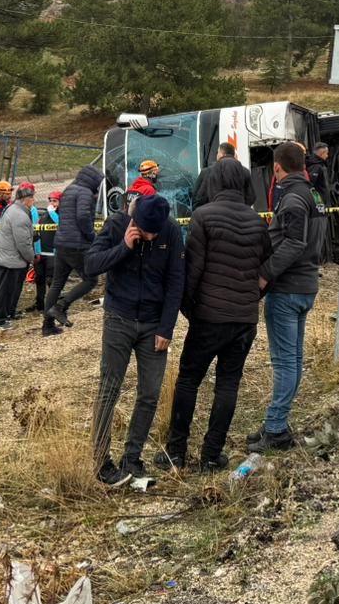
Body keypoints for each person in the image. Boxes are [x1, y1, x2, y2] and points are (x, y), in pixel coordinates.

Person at [160, 157, 269, 473]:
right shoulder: (258, 222)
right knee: (227, 385)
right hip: (244, 319)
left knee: (189, 381)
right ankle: (211, 455)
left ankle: (176, 452)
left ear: (214, 183)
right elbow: (265, 269)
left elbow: (192, 271)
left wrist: (189, 310)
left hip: (208, 317)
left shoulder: (202, 216)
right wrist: (251, 299)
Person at [86, 193, 185, 485]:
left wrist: (167, 327)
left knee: (150, 392)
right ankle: (102, 461)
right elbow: (91, 265)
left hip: (154, 324)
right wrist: (124, 247)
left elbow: (176, 280)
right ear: (135, 221)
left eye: (156, 232)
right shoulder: (117, 226)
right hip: (119, 318)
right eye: (145, 232)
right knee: (109, 388)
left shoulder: (172, 231)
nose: (151, 237)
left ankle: (132, 457)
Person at [250, 140, 325, 452]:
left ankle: (276, 429)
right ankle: (275, 422)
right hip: (305, 285)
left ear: (278, 167)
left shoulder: (293, 198)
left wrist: (263, 275)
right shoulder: (313, 194)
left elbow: (293, 243)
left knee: (284, 363)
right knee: (292, 360)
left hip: (288, 289)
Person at [44, 165, 103, 335]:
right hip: (77, 245)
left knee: (57, 283)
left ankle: (47, 326)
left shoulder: (69, 189)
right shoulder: (85, 193)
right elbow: (83, 217)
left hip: (61, 242)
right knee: (91, 280)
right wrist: (92, 237)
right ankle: (61, 306)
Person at [0, 183, 38, 328]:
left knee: (2, 290)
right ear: (25, 199)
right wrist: (32, 258)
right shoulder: (20, 216)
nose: (34, 201)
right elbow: (23, 244)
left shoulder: (12, 209)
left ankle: (5, 315)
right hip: (10, 260)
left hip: (4, 257)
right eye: (32, 198)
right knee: (4, 292)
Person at [31, 188, 62, 312]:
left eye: (55, 201)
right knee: (39, 279)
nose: (52, 204)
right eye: (51, 201)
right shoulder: (45, 214)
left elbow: (60, 223)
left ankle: (55, 305)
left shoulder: (62, 214)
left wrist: (52, 212)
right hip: (41, 252)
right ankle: (39, 305)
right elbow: (37, 230)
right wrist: (36, 251)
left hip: (52, 253)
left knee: (51, 280)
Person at [195, 142, 238, 209]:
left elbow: (198, 199)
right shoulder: (240, 174)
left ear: (222, 155)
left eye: (218, 152)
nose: (217, 155)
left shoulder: (207, 172)